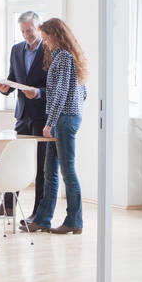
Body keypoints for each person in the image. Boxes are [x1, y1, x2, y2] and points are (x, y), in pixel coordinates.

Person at [26, 18, 88, 235]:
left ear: (56, 35)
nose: (45, 42)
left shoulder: (62, 57)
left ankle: (74, 220)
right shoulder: (71, 57)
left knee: (66, 171)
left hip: (63, 120)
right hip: (68, 117)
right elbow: (84, 93)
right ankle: (43, 219)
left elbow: (60, 92)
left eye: (46, 37)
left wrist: (50, 122)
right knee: (50, 170)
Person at [0, 11, 46, 218]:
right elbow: (13, 79)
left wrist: (38, 93)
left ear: (39, 27)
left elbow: (54, 87)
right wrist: (4, 88)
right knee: (14, 160)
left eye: (30, 30)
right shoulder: (16, 50)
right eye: (23, 31)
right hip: (22, 116)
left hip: (42, 116)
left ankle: (38, 213)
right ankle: (8, 207)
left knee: (40, 167)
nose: (26, 35)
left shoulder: (50, 50)